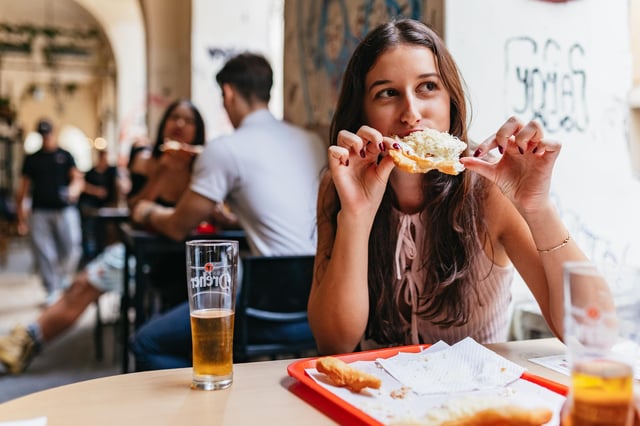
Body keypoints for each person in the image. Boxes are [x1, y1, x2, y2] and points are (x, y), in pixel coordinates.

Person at [306, 18, 590, 356]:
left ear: (451, 100)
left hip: (480, 397)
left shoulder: (488, 189)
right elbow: (333, 342)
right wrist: (356, 214)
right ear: (363, 111)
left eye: (427, 87)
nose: (411, 113)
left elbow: (587, 333)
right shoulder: (338, 187)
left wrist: (537, 206)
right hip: (378, 399)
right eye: (387, 93)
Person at [129, 52, 326, 370]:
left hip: (263, 309)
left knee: (147, 342)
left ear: (229, 93)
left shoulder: (225, 149)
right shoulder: (312, 141)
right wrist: (232, 218)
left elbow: (179, 226)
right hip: (317, 305)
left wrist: (146, 212)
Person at [0, 99, 205, 374]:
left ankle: (27, 339)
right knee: (82, 283)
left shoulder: (204, 165)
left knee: (84, 283)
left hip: (184, 261)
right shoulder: (146, 160)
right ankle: (25, 339)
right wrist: (163, 172)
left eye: (188, 120)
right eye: (173, 117)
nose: (179, 124)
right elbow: (133, 209)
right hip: (142, 254)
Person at [15, 119, 84, 303]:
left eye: (48, 133)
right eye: (43, 134)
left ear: (54, 132)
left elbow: (77, 179)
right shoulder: (32, 159)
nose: (46, 137)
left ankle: (62, 276)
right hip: (40, 212)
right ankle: (51, 288)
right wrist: (21, 218)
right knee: (44, 252)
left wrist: (73, 190)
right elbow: (23, 189)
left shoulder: (65, 155)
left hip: (65, 210)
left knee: (72, 247)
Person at [78, 148, 119, 261]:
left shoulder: (112, 171)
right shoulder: (91, 172)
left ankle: (102, 255)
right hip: (91, 206)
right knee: (89, 231)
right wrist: (96, 191)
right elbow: (83, 186)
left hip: (106, 207)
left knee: (104, 232)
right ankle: (89, 256)